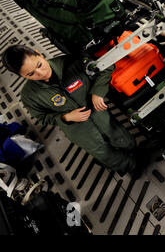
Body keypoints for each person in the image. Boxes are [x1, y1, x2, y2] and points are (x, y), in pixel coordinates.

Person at [2, 45, 147, 177]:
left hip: (100, 114)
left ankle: (134, 151)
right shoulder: (29, 95)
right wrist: (65, 117)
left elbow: (105, 68)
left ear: (39, 54)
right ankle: (129, 165)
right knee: (102, 152)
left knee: (120, 135)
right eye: (30, 74)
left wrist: (98, 91)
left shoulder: (71, 62)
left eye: (39, 65)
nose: (41, 73)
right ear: (23, 76)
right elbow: (42, 117)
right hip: (77, 130)